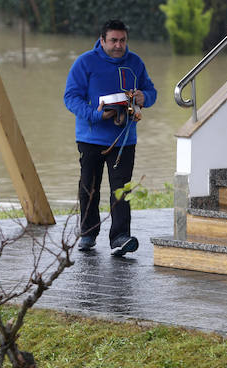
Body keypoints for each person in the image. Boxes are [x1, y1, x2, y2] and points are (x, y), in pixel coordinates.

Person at [64, 19, 157, 255]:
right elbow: (71, 97)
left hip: (124, 138)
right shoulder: (85, 62)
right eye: (113, 40)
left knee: (121, 188)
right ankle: (88, 233)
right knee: (89, 187)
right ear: (102, 40)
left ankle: (120, 237)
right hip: (90, 137)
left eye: (122, 40)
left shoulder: (135, 63)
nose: (118, 45)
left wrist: (144, 97)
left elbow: (151, 91)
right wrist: (95, 115)